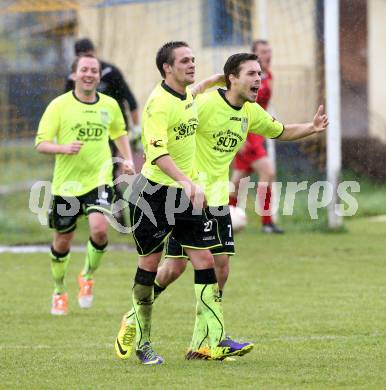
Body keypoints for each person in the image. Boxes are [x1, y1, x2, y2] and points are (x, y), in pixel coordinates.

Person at [116, 52, 329, 360]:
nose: (259, 79)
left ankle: (203, 342)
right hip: (187, 194)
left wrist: (311, 127)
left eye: (260, 74)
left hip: (217, 198)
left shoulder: (250, 112)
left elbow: (280, 130)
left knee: (220, 267)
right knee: (174, 268)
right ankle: (135, 318)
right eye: (252, 74)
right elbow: (172, 129)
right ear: (234, 78)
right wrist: (144, 166)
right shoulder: (203, 104)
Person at [114, 42, 252, 366]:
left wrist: (222, 78)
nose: (192, 64)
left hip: (186, 196)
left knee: (206, 263)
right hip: (154, 194)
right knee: (149, 266)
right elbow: (158, 154)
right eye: (185, 61)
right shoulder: (157, 104)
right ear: (167, 68)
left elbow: (200, 87)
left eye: (193, 59)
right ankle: (142, 339)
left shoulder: (187, 93)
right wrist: (188, 182)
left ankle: (213, 340)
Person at [36, 54, 135, 315]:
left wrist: (126, 159)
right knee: (62, 241)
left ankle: (87, 276)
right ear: (74, 75)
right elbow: (41, 143)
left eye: (94, 70)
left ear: (99, 76)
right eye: (84, 70)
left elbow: (119, 133)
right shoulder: (59, 106)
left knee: (100, 230)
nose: (89, 74)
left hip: (99, 179)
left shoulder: (110, 105)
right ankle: (59, 290)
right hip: (66, 186)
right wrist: (63, 147)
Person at [65, 38, 140, 227]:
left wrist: (136, 129)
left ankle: (119, 213)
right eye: (81, 57)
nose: (87, 63)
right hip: (84, 134)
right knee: (85, 172)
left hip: (111, 133)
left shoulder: (110, 72)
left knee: (108, 172)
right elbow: (66, 105)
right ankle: (85, 212)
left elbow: (130, 101)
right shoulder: (72, 77)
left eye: (89, 54)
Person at [229, 39, 283, 233]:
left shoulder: (268, 75)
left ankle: (224, 216)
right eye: (262, 52)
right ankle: (267, 222)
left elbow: (263, 106)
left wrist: (269, 121)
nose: (267, 55)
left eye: (269, 51)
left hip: (258, 132)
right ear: (254, 55)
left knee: (238, 180)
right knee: (267, 172)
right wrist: (239, 137)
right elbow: (241, 105)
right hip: (246, 133)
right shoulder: (248, 79)